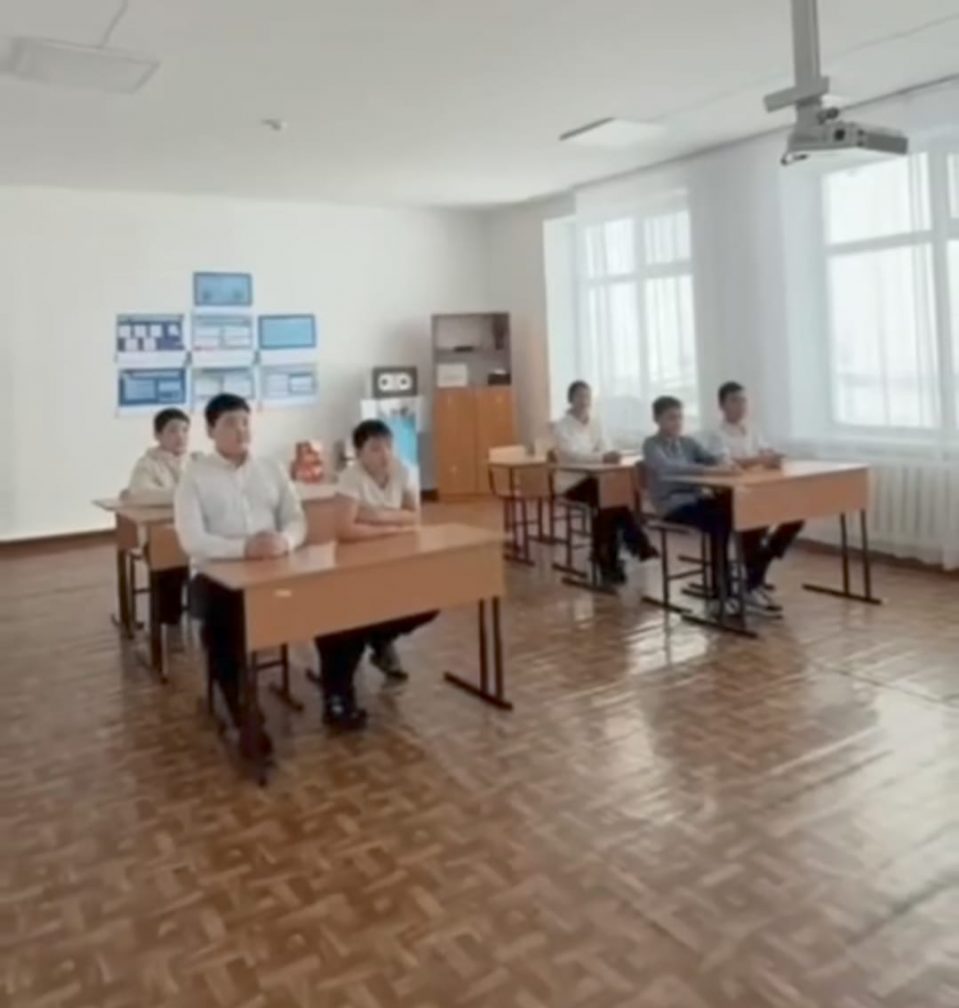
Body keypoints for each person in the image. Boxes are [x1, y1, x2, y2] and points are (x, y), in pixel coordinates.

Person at [174, 393, 307, 755]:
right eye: (230, 423)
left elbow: (297, 519)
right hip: (215, 577)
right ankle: (240, 708)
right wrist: (245, 548)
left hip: (273, 571)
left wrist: (284, 541)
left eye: (245, 422)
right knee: (224, 622)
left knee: (325, 598)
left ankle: (337, 690)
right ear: (210, 430)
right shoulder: (194, 478)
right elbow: (192, 540)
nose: (241, 430)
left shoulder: (270, 468)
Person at [318, 420, 437, 712]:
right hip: (355, 564)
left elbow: (415, 518)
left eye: (388, 446)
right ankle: (368, 648)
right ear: (359, 453)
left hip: (394, 558)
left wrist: (375, 516)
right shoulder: (351, 477)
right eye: (375, 448)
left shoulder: (402, 470)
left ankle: (380, 636)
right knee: (354, 615)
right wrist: (393, 526)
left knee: (429, 604)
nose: (384, 454)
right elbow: (345, 530)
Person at [642, 396, 773, 618]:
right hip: (672, 505)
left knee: (744, 510)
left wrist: (725, 463)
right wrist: (708, 471)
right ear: (657, 419)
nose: (677, 423)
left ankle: (751, 583)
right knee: (719, 522)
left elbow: (710, 458)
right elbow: (668, 469)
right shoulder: (651, 445)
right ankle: (721, 595)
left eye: (680, 417)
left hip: (696, 499)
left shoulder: (687, 442)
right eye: (671, 418)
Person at [701, 382, 804, 610]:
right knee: (752, 528)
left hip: (759, 492)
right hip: (731, 495)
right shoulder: (715, 434)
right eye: (734, 400)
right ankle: (752, 583)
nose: (740, 405)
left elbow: (764, 451)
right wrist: (759, 460)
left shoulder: (753, 429)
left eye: (743, 400)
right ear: (722, 405)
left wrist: (772, 458)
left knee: (796, 516)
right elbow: (726, 463)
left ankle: (758, 566)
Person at [554, 380, 657, 586]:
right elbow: (572, 456)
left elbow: (606, 446)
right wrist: (601, 457)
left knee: (609, 505)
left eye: (587, 396)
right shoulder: (562, 426)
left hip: (597, 479)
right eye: (579, 396)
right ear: (570, 399)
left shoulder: (596, 422)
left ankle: (607, 559)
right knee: (609, 501)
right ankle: (634, 544)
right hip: (572, 482)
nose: (584, 400)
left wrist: (608, 455)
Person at [123, 407, 192, 634]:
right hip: (160, 536)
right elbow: (141, 495)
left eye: (185, 430)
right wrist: (185, 494)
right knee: (171, 557)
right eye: (173, 430)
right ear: (158, 435)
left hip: (193, 532)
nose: (180, 436)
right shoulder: (147, 464)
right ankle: (167, 621)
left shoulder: (195, 461)